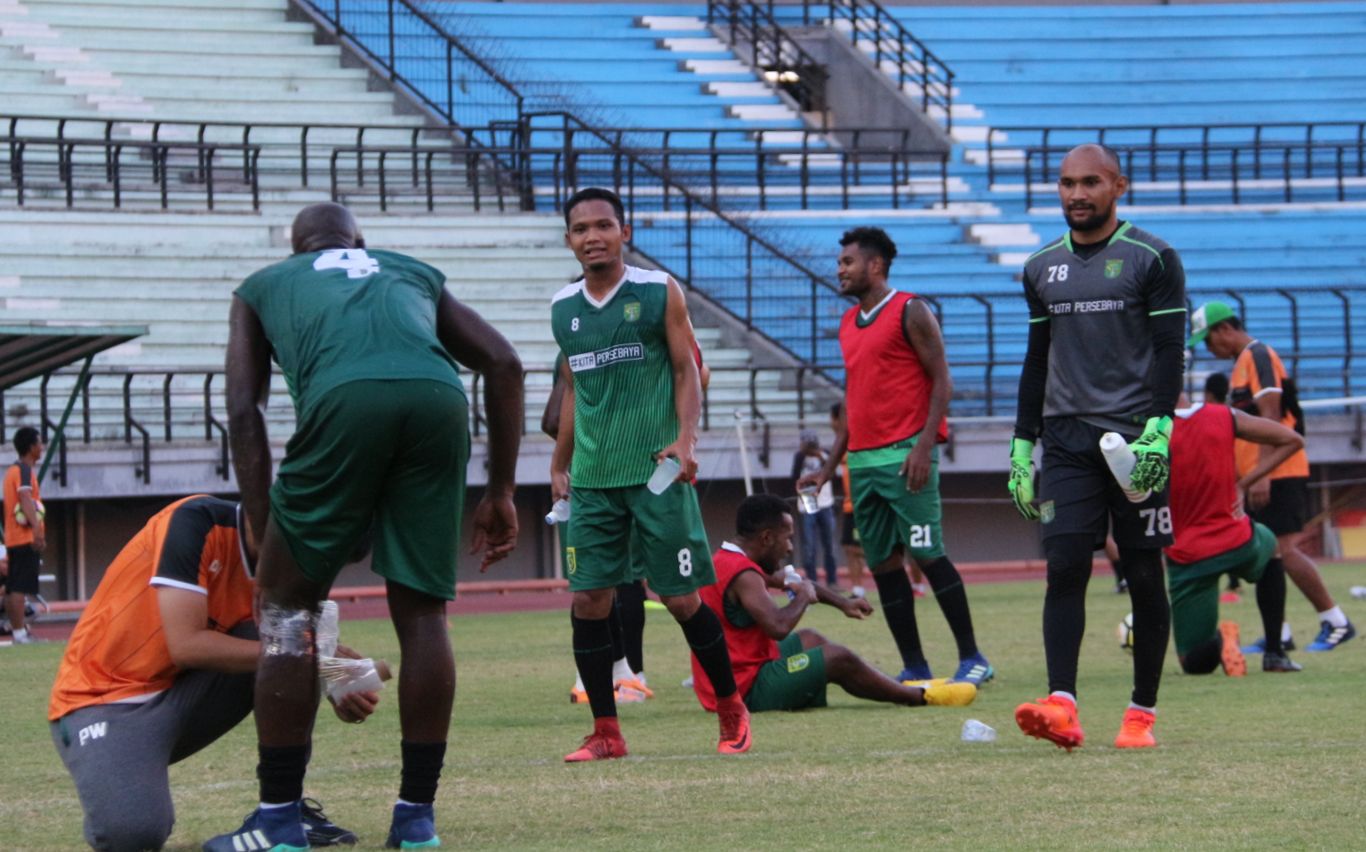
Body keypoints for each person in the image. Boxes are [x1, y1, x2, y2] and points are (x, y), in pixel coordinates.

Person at [210, 202, 523, 850]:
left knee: (288, 616)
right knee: (424, 617)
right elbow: (504, 362)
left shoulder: (265, 285)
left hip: (344, 402)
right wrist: (499, 489)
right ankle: (416, 820)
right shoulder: (409, 270)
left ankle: (277, 824)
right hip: (438, 401)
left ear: (298, 251)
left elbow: (244, 409)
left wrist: (265, 525)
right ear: (362, 243)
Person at [550, 186, 750, 762]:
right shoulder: (564, 308)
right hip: (592, 480)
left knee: (682, 597)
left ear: (624, 232)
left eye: (604, 225)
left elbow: (690, 371)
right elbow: (574, 390)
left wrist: (685, 440)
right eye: (582, 228)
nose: (593, 236)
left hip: (655, 473)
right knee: (589, 600)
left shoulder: (658, 291)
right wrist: (560, 463)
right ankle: (606, 732)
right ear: (569, 239)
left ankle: (732, 711)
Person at [49, 496, 370, 851]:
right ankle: (112, 781)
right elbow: (186, 645)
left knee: (289, 646)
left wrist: (331, 676)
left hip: (184, 694)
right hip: (104, 699)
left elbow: (291, 652)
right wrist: (312, 659)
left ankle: (283, 810)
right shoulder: (194, 522)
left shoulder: (281, 560)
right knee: (133, 834)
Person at [1007, 143, 1186, 750]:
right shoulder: (1039, 268)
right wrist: (1020, 448)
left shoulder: (1154, 257)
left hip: (1136, 438)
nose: (1076, 194)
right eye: (1065, 184)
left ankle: (1141, 715)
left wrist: (1160, 428)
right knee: (1064, 566)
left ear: (1119, 186)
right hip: (1063, 439)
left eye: (1090, 182)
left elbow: (1168, 350)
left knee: (1141, 570)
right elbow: (1037, 360)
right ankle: (1062, 706)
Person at [799, 226, 992, 687]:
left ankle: (973, 657)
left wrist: (925, 445)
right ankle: (915, 665)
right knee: (882, 562)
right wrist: (829, 468)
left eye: (848, 262)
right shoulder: (848, 324)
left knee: (927, 553)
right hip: (861, 464)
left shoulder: (911, 310)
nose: (840, 270)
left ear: (876, 266)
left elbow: (942, 381)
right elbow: (854, 402)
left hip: (907, 456)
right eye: (840, 262)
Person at [691, 494, 976, 713]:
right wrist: (802, 597)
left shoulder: (728, 560)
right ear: (766, 538)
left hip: (728, 678)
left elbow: (796, 582)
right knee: (836, 657)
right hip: (744, 689)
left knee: (811, 639)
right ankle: (920, 697)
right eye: (788, 538)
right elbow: (778, 626)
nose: (790, 548)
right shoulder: (745, 575)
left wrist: (843, 603)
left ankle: (900, 685)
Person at [541, 337, 709, 704]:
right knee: (636, 584)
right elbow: (700, 376)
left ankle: (611, 674)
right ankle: (627, 674)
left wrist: (567, 456)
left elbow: (551, 420)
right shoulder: (660, 339)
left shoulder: (576, 343)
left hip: (593, 478)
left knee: (594, 587)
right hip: (634, 475)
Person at [1189, 300, 1356, 652]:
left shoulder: (1258, 355)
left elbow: (1271, 414)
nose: (1208, 348)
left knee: (1283, 548)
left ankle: (1335, 620)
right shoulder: (1242, 364)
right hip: (1262, 472)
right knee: (1267, 553)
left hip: (1277, 471)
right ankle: (1278, 633)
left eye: (1208, 340)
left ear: (1225, 330)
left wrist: (1260, 475)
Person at [1166, 392, 1305, 677]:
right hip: (1237, 538)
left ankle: (1224, 639)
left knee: (1195, 664)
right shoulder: (1224, 416)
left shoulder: (1145, 427)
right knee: (1271, 547)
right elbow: (1292, 440)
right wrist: (1245, 483)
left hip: (1188, 556)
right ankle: (1275, 653)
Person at [3, 426, 45, 644]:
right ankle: (20, 634)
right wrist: (37, 529)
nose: (42, 447)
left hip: (12, 537)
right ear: (31, 447)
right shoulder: (23, 471)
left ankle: (18, 632)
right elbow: (25, 499)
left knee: (12, 588)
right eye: (39, 443)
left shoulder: (12, 471)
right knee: (20, 587)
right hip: (23, 537)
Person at [791, 429, 839, 587]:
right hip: (807, 502)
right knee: (809, 546)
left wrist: (818, 454)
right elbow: (794, 477)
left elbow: (832, 473)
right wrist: (804, 454)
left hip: (825, 502)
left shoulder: (824, 453)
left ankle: (832, 581)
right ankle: (812, 582)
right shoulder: (800, 457)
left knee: (829, 544)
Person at [830, 403, 867, 599]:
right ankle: (858, 589)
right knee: (850, 547)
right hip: (849, 506)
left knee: (857, 548)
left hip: (861, 505)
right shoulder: (841, 443)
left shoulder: (855, 441)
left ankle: (862, 586)